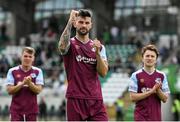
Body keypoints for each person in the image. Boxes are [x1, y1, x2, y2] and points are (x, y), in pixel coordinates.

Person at [58, 9, 109, 121]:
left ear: (91, 25)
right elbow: (61, 47)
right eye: (80, 22)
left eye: (86, 23)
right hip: (75, 98)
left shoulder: (99, 47)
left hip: (95, 99)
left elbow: (103, 73)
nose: (83, 25)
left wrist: (97, 53)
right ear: (75, 23)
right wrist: (69, 21)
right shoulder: (70, 44)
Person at [128, 44, 170, 121]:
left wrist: (158, 90)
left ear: (156, 59)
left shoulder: (162, 75)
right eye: (147, 56)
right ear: (142, 58)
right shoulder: (135, 75)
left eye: (152, 56)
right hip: (140, 117)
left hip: (156, 117)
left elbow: (165, 99)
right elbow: (132, 97)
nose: (149, 58)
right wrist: (151, 91)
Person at [5, 47, 44, 121]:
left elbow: (38, 90)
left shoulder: (38, 71)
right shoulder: (12, 71)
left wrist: (29, 84)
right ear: (21, 57)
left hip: (32, 111)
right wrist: (22, 83)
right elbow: (9, 91)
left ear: (33, 58)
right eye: (25, 56)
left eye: (30, 56)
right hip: (16, 110)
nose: (28, 58)